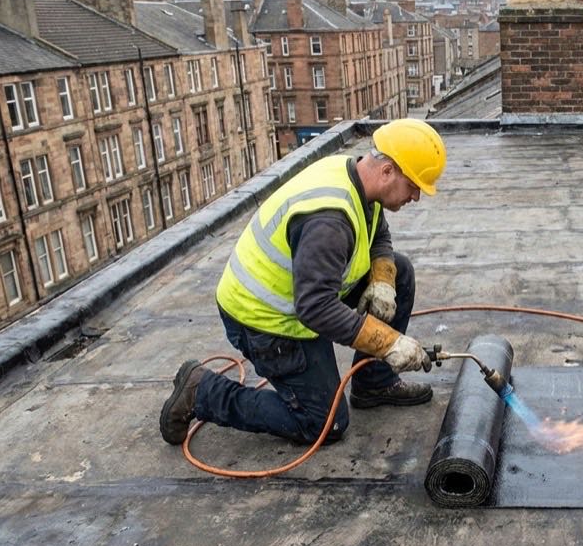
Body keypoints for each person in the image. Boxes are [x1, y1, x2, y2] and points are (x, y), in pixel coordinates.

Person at [159, 119, 446, 446]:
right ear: (387, 171)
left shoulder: (357, 177)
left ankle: (373, 383)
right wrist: (388, 343)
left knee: (399, 272)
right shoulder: (329, 222)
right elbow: (316, 309)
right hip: (265, 319)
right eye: (413, 186)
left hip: (304, 295)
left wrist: (382, 279)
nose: (416, 196)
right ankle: (202, 391)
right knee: (324, 423)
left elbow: (377, 233)